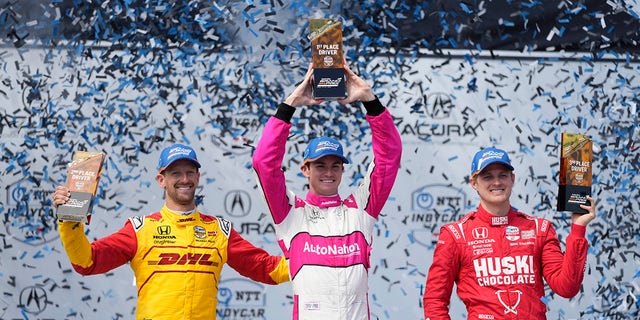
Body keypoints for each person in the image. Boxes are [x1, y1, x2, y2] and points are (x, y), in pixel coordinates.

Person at [51, 143, 289, 320]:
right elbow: (87, 262)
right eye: (175, 173)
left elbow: (268, 269)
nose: (184, 179)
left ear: (197, 177)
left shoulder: (218, 231)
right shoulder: (140, 229)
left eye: (189, 172)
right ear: (161, 180)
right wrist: (69, 219)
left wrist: (316, 257)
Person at [252, 62, 402, 320]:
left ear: (343, 170)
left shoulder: (361, 208)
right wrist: (290, 104)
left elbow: (389, 157)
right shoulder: (290, 213)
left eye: (335, 165)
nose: (329, 172)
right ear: (305, 170)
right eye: (320, 166)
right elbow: (264, 164)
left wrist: (369, 100)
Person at [423, 147, 597, 320]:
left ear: (512, 179)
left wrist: (578, 228)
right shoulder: (456, 234)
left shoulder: (539, 229)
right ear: (474, 183)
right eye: (487, 177)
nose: (497, 182)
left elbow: (567, 287)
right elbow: (435, 300)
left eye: (503, 175)